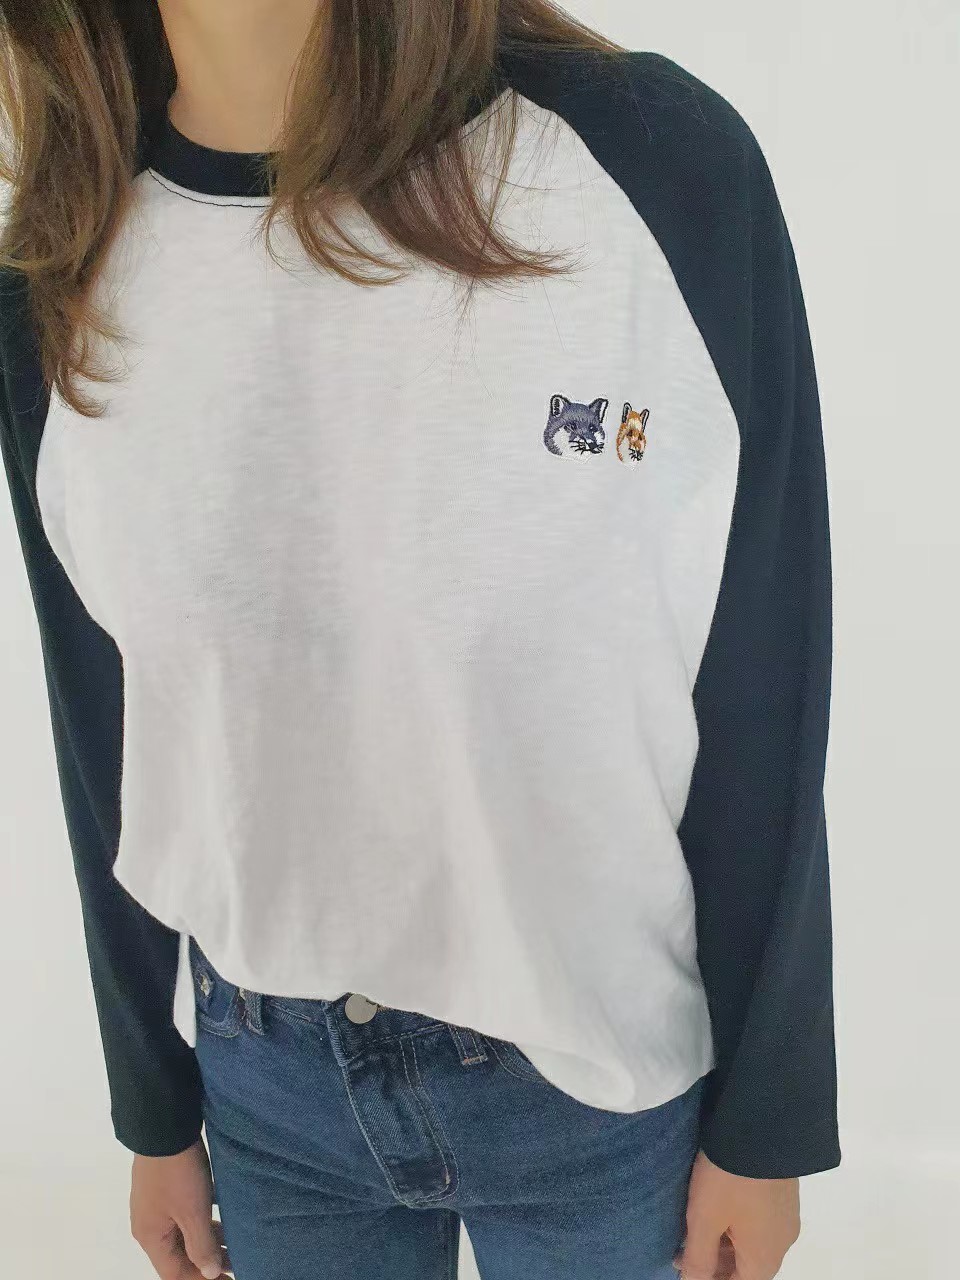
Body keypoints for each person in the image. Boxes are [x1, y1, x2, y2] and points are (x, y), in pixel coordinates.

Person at [0, 3, 839, 1278]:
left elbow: (763, 667)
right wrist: (151, 1101)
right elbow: (105, 722)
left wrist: (766, 1120)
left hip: (598, 1087)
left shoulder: (653, 164)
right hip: (265, 1095)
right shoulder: (58, 272)